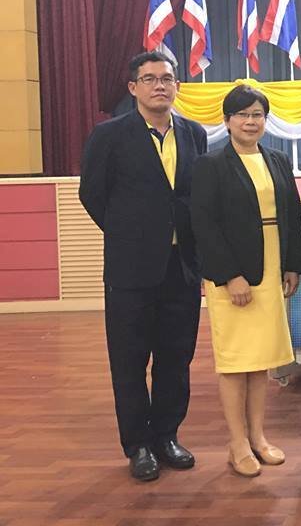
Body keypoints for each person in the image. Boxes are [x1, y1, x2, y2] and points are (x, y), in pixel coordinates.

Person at [79, 51, 207, 482]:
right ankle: (137, 445)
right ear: (133, 88)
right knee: (130, 360)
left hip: (181, 267)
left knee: (176, 358)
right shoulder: (109, 135)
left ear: (177, 86)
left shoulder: (194, 134)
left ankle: (167, 436)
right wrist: (129, 234)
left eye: (167, 79)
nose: (159, 86)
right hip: (130, 269)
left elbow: (190, 196)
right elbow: (92, 194)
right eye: (150, 79)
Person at [191, 85, 301, 478]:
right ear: (227, 121)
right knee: (236, 359)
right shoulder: (210, 165)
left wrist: (292, 265)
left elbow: (290, 215)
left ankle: (258, 436)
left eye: (257, 114)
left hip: (271, 267)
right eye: (242, 114)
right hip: (234, 276)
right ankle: (237, 442)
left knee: (262, 359)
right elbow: (203, 225)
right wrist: (229, 276)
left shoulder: (277, 160)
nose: (250, 121)